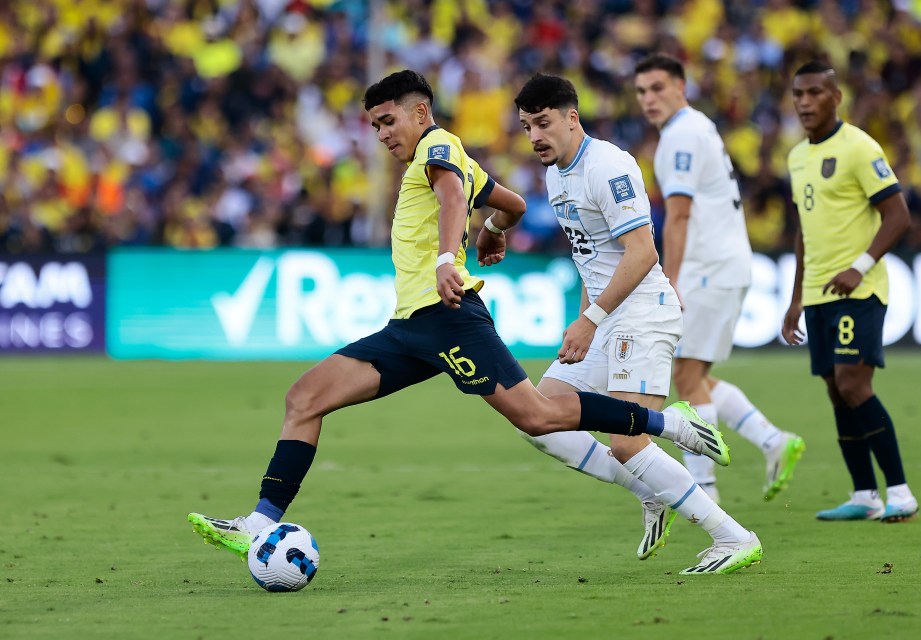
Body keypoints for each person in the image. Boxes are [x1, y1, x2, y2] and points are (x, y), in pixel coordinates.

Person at [187, 70, 728, 559]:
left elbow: (451, 196)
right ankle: (258, 525)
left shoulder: (439, 147)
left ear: (419, 113)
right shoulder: (465, 162)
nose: (381, 134)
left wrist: (451, 256)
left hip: (449, 317)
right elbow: (509, 203)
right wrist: (493, 230)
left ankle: (670, 424)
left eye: (388, 120)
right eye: (374, 126)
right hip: (408, 329)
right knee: (304, 398)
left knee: (539, 416)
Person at [511, 72, 762, 575]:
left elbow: (643, 251)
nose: (535, 136)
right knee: (537, 419)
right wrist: (585, 322)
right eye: (526, 127)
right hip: (605, 322)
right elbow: (590, 257)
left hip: (643, 317)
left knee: (627, 441)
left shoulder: (608, 165)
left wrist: (591, 320)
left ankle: (733, 537)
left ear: (571, 118)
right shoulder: (555, 173)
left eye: (543, 123)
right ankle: (653, 492)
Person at [633, 53, 806, 505]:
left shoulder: (681, 135)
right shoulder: (694, 127)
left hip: (706, 269)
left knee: (687, 382)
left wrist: (669, 279)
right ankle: (772, 441)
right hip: (720, 265)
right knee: (694, 376)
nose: (648, 99)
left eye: (657, 88)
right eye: (641, 91)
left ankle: (705, 494)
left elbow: (680, 213)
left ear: (680, 87)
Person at [782, 61, 918, 522]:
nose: (804, 102)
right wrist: (796, 297)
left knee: (853, 383)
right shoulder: (797, 156)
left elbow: (898, 214)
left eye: (815, 92)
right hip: (819, 294)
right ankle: (865, 494)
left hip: (859, 290)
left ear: (835, 97)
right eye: (798, 94)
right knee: (836, 391)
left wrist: (860, 267)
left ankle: (900, 492)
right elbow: (804, 229)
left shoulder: (859, 147)